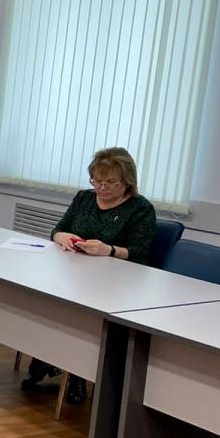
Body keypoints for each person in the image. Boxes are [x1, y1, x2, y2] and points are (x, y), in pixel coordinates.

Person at [24, 146, 157, 404]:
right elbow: (58, 230)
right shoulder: (84, 198)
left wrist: (109, 250)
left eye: (110, 182)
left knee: (79, 316)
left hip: (115, 284)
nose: (101, 188)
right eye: (96, 181)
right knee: (45, 303)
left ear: (126, 181)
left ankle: (75, 374)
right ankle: (47, 359)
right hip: (74, 274)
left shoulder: (140, 209)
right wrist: (63, 237)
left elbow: (140, 252)